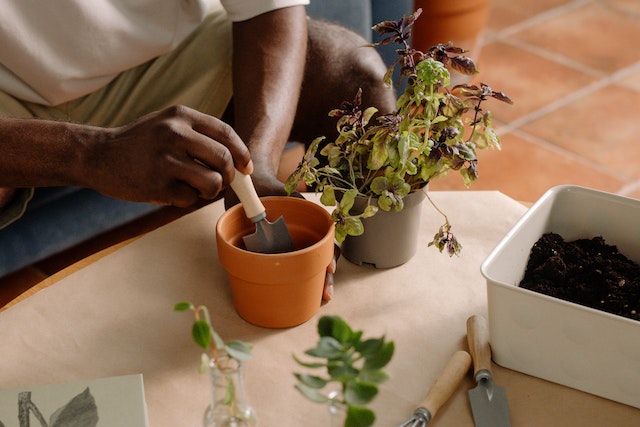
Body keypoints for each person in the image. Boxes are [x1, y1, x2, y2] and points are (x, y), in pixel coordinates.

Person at [0, 1, 397, 298]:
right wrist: (93, 153)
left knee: (353, 76)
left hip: (159, 53)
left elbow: (268, 8)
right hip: (9, 85)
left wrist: (255, 161)